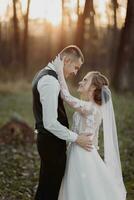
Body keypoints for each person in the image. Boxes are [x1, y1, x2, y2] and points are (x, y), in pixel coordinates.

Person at [53, 56, 127, 200]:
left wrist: (59, 71)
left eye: (85, 80)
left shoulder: (91, 108)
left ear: (93, 87)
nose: (81, 81)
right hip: (78, 151)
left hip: (82, 155)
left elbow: (66, 96)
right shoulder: (90, 107)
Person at [32, 45, 93, 200]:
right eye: (76, 67)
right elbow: (50, 123)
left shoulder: (44, 74)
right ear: (66, 60)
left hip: (49, 142)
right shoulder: (50, 81)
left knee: (46, 186)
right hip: (51, 143)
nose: (75, 73)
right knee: (51, 190)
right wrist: (76, 138)